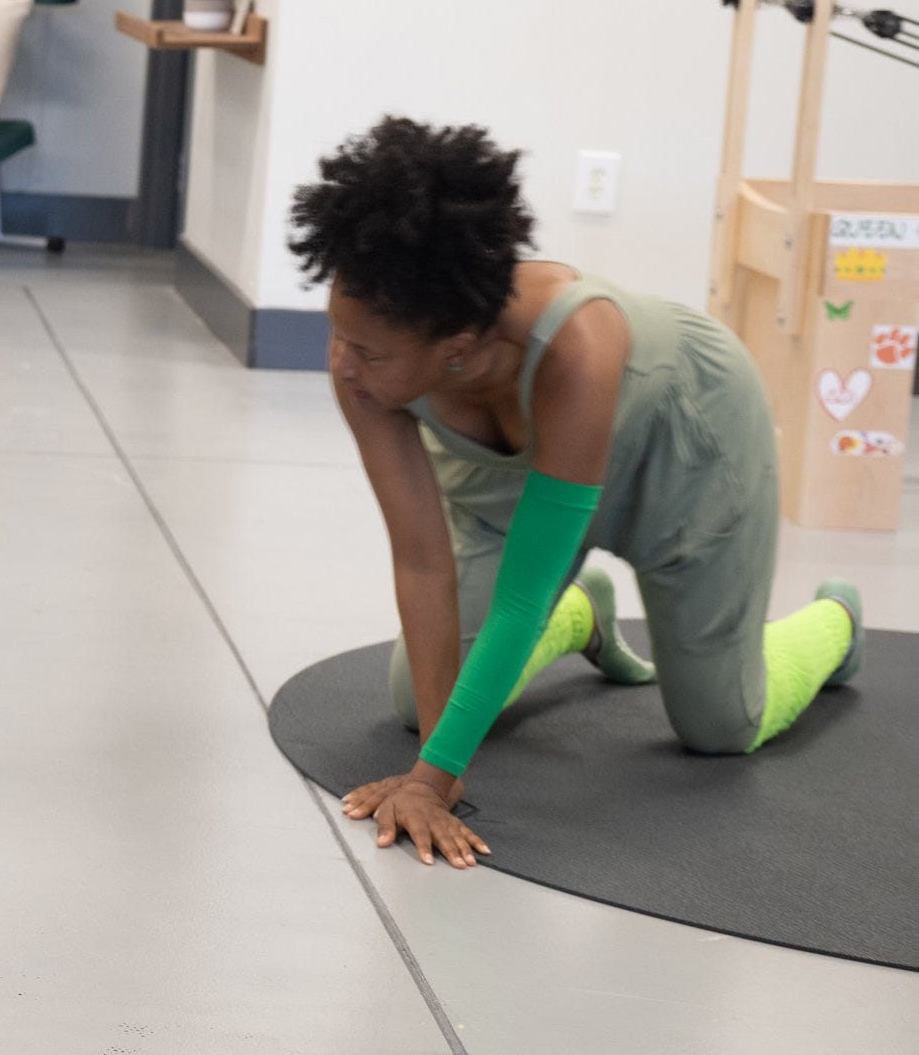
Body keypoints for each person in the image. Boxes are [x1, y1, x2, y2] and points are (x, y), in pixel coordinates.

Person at [290, 118, 863, 868]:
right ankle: (584, 611)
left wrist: (427, 782)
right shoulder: (365, 371)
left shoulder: (577, 345)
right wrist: (441, 767)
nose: (341, 363)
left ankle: (837, 619)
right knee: (420, 704)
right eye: (338, 333)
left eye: (366, 350)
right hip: (517, 486)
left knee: (723, 725)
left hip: (687, 454)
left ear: (455, 347)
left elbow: (521, 594)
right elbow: (422, 559)